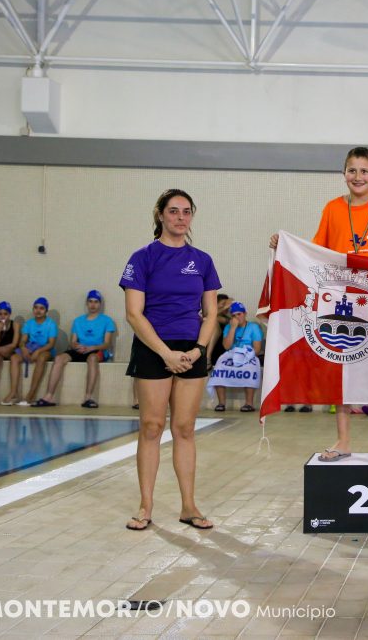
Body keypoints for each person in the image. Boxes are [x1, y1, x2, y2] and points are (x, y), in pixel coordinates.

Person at [270, 147, 368, 462]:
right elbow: (314, 252)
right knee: (340, 367)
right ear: (343, 174)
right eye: (352, 170)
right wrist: (284, 248)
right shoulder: (332, 208)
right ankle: (343, 440)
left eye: (364, 171)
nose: (358, 177)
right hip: (339, 297)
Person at [121, 188, 221, 531]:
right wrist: (165, 353)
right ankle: (145, 506)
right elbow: (134, 314)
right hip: (153, 347)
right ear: (161, 215)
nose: (180, 217)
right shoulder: (142, 258)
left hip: (191, 348)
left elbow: (211, 313)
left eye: (186, 211)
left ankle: (189, 506)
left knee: (184, 428)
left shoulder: (202, 261)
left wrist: (198, 350)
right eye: (174, 211)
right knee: (151, 427)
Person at [36, 290, 116, 408]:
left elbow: (107, 344)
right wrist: (76, 346)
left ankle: (88, 397)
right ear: (87, 303)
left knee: (92, 358)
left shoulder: (107, 321)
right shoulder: (78, 321)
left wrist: (92, 348)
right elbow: (72, 342)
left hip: (97, 350)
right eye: (90, 301)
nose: (93, 305)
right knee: (59, 358)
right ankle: (49, 396)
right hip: (81, 349)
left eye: (96, 302)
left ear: (100, 304)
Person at [3, 298, 58, 406]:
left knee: (41, 357)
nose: (38, 311)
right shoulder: (29, 323)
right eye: (36, 308)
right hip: (31, 348)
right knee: (14, 358)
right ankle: (14, 392)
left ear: (46, 311)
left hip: (45, 349)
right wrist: (23, 348)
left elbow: (51, 344)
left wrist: (38, 351)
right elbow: (23, 341)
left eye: (41, 308)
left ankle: (31, 394)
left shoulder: (51, 324)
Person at [212, 301, 263, 413]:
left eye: (239, 314)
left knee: (250, 368)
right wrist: (233, 328)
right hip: (232, 354)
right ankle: (221, 403)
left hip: (248, 354)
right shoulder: (228, 327)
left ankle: (249, 403)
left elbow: (257, 349)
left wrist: (245, 356)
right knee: (219, 367)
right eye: (234, 315)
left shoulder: (253, 327)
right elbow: (226, 346)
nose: (237, 317)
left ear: (245, 314)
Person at [208, 293, 233, 369]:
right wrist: (225, 307)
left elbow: (215, 318)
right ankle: (207, 358)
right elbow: (208, 317)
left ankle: (207, 358)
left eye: (227, 304)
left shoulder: (227, 318)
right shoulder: (207, 315)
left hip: (220, 352)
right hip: (205, 349)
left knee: (213, 321)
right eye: (223, 304)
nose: (227, 307)